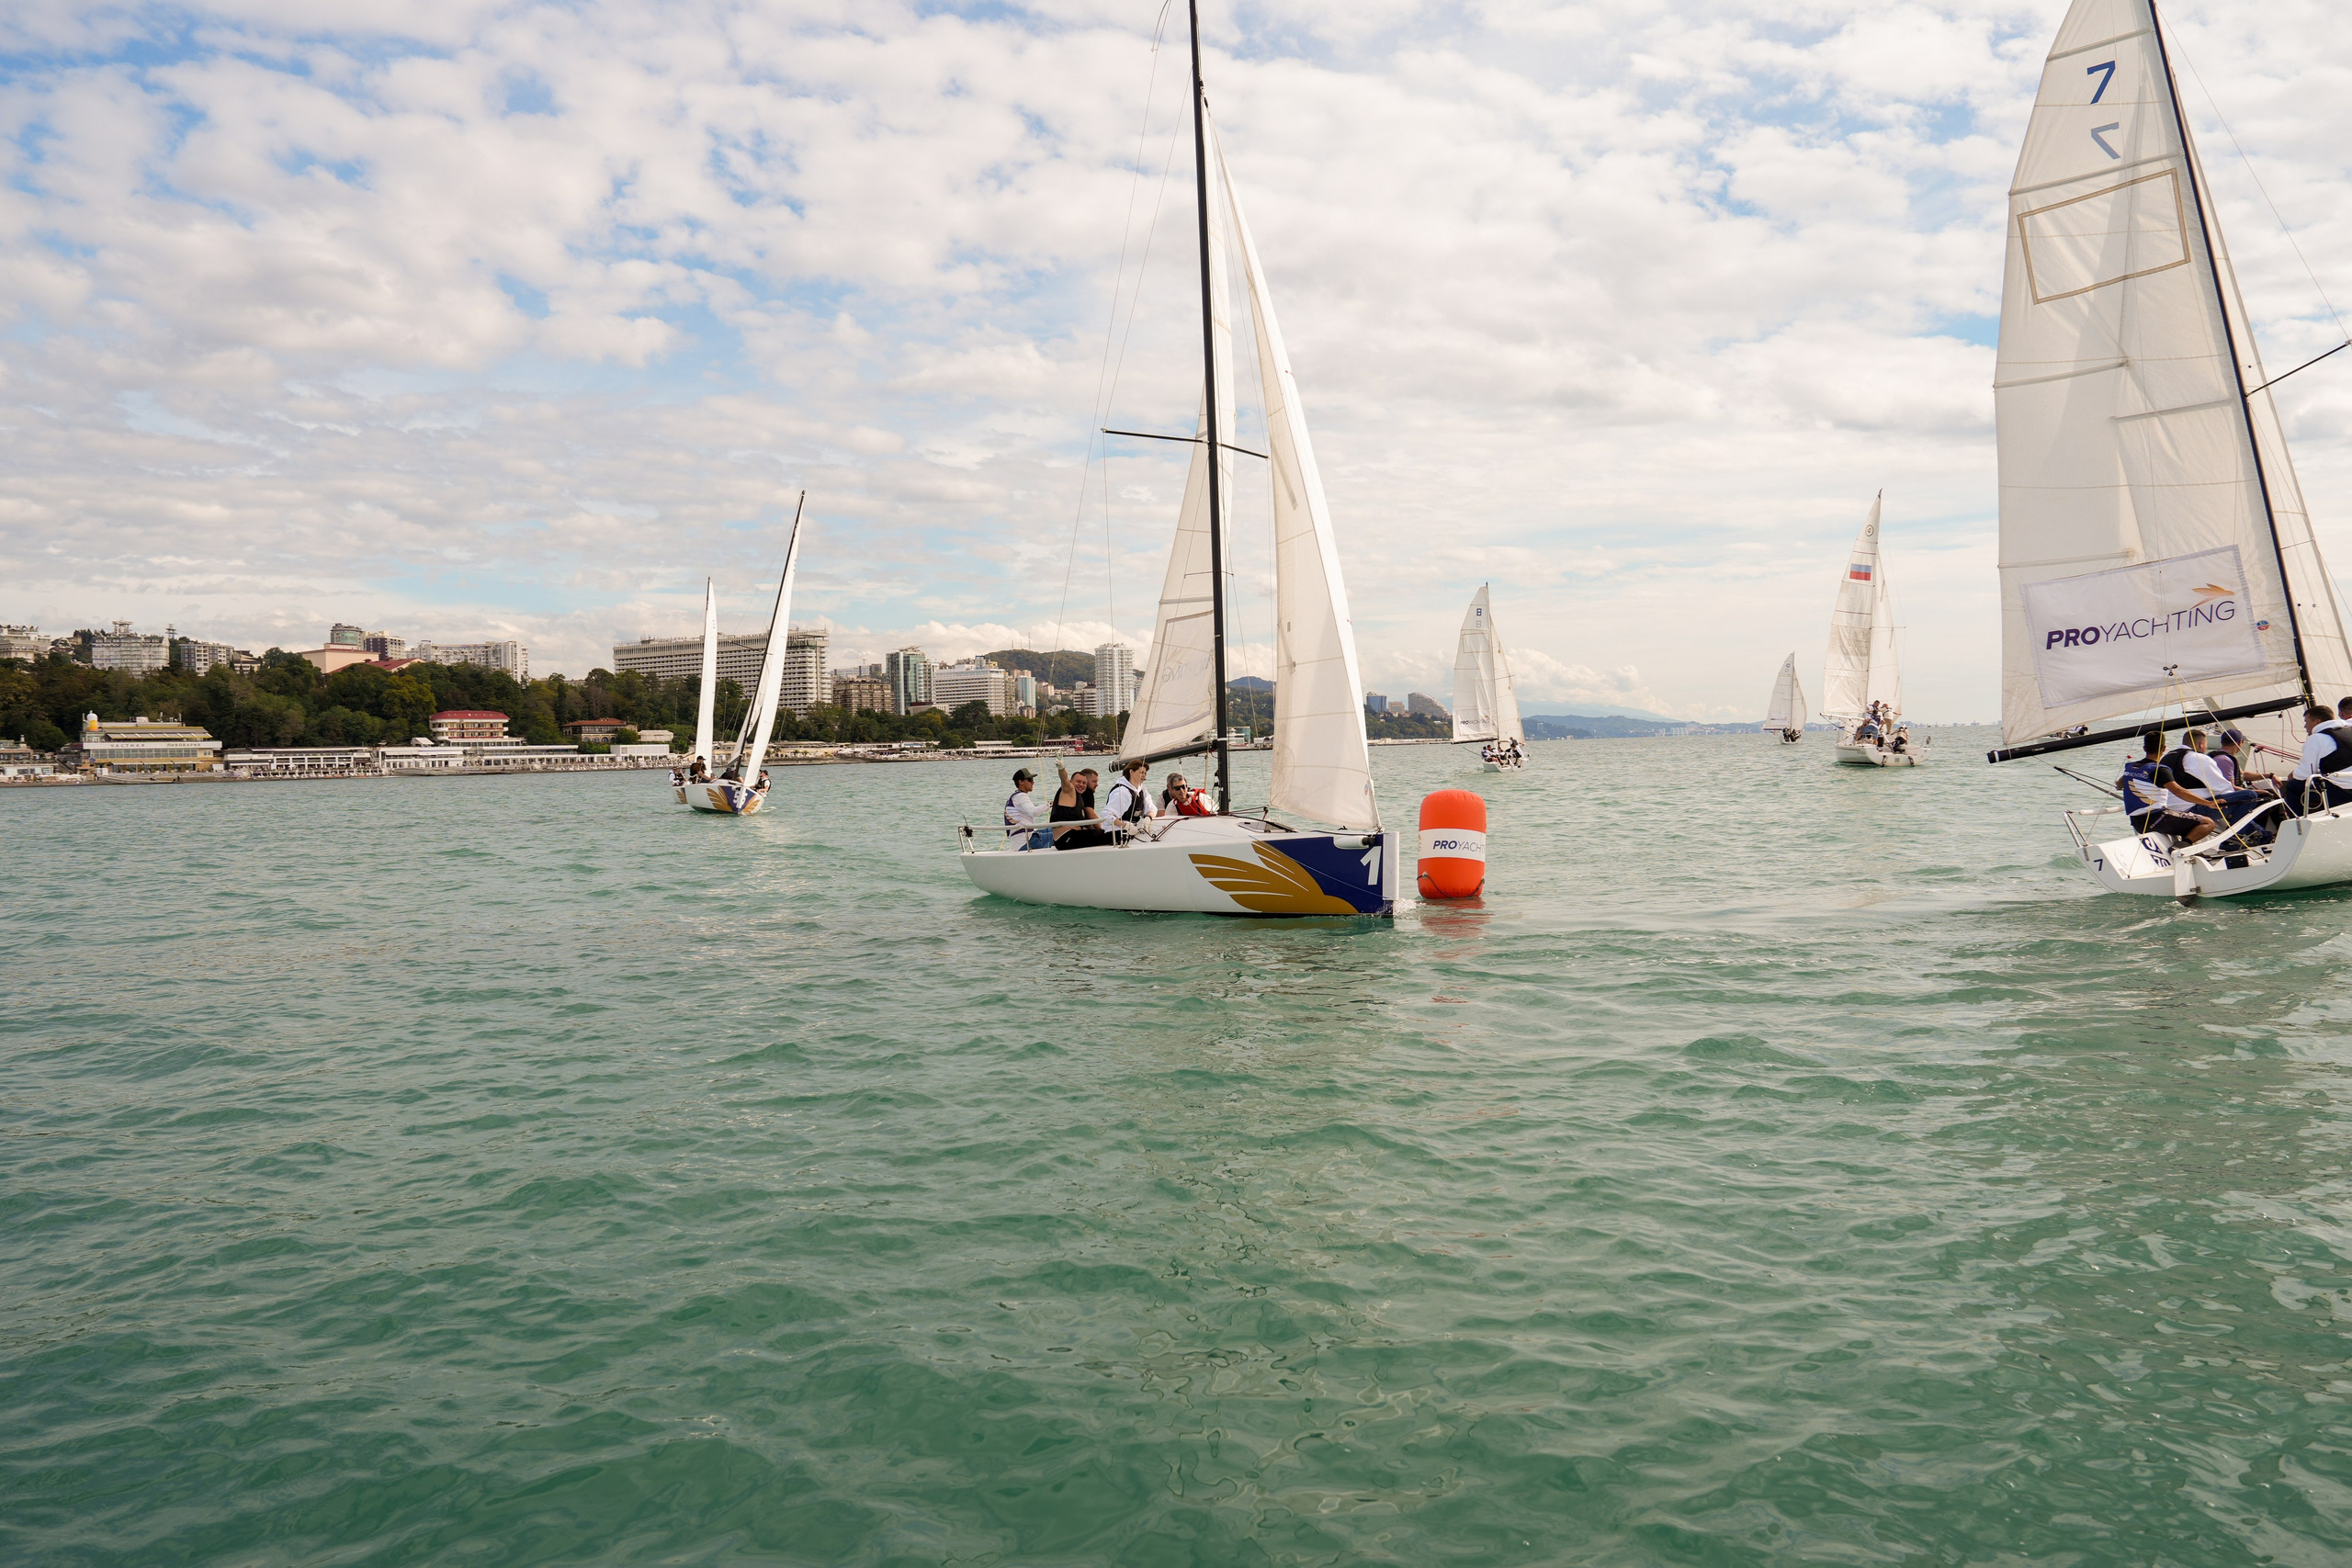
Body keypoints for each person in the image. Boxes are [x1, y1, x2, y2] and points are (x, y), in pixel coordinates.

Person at [2120, 728, 2219, 843]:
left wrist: (2120, 785)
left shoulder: (2130, 767)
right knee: (2208, 823)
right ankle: (2181, 847)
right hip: (2158, 819)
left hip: (2137, 823)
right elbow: (2180, 792)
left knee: (2185, 819)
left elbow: (2120, 783)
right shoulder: (2160, 770)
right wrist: (2208, 803)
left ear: (2144, 748)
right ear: (2164, 748)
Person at [2288, 704, 2352, 812]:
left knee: (2293, 786)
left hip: (2344, 792)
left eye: (2306, 722)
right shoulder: (2349, 730)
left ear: (2317, 722)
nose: (2305, 726)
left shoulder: (2317, 739)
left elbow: (2304, 774)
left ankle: (2299, 821)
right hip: (2347, 786)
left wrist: (2293, 775)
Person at [1051, 766, 1112, 849]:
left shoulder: (1078, 798)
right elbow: (1064, 779)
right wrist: (1061, 768)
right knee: (1113, 835)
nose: (1081, 785)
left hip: (1069, 837)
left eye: (1084, 783)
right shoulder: (1069, 790)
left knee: (1103, 833)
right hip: (1066, 838)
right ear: (1071, 782)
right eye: (1078, 782)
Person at [1101, 759, 1157, 837]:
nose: (1144, 775)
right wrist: (1125, 826)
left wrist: (1149, 817)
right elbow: (1106, 815)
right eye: (1141, 772)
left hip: (1134, 829)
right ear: (1131, 772)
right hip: (1117, 832)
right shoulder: (1122, 791)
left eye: (1145, 773)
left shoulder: (1142, 789)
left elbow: (1151, 807)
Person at [1003, 767, 1051, 849]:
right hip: (1026, 842)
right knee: (1057, 834)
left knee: (1054, 829)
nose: (1033, 782)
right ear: (1021, 782)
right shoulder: (1021, 796)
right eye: (1030, 780)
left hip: (1019, 842)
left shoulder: (1014, 797)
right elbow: (1033, 812)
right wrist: (1049, 804)